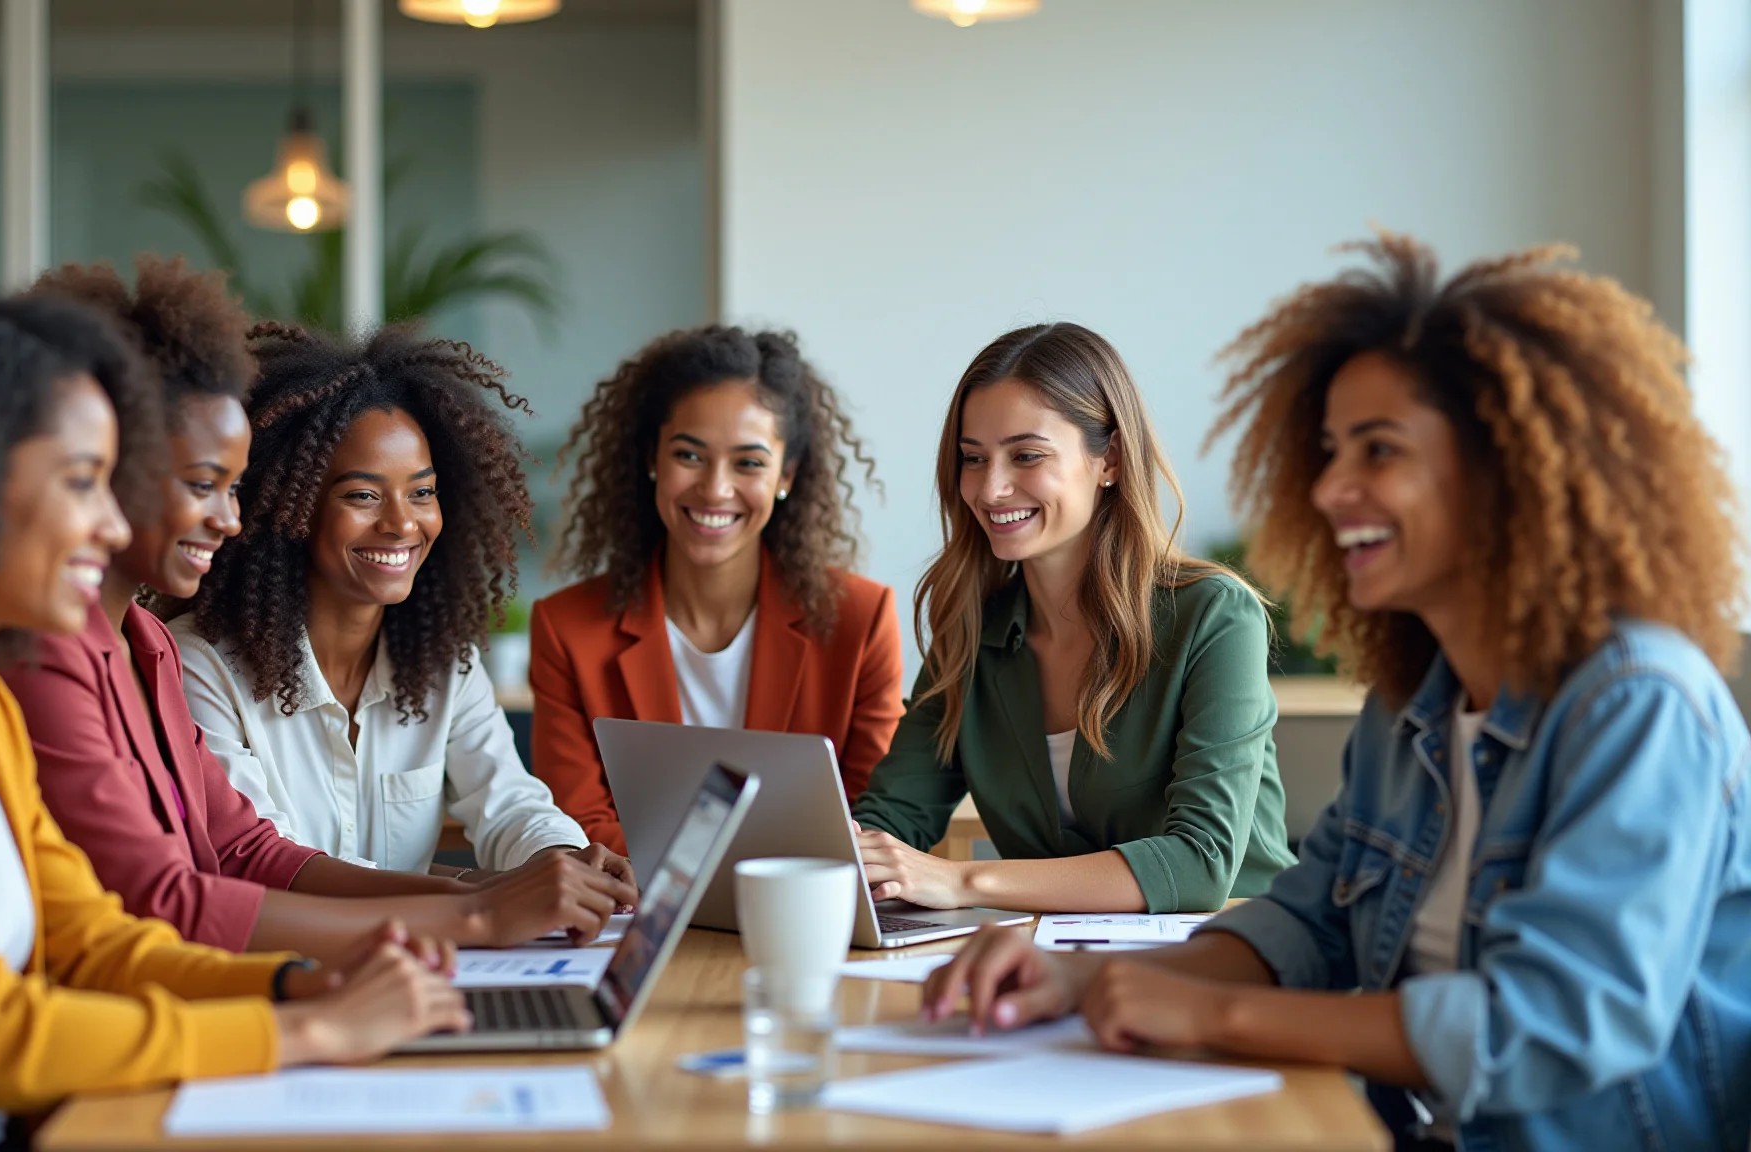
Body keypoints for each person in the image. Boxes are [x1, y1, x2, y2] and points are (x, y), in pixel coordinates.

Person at [923, 236, 1751, 1151]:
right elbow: (1311, 920)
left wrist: (1212, 1015)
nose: (1328, 489)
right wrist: (1090, 983)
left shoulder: (1640, 704)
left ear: (1506, 466)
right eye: (1327, 452)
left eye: (1378, 450)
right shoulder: (1412, 703)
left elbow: (1551, 1025)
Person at [0, 288, 467, 1152]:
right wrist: (308, 1031)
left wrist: (297, 986)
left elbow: (96, 944)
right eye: (83, 483)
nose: (111, 523)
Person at [3, 257, 597, 958]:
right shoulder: (69, 656)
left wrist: (500, 892)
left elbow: (246, 850)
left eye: (233, 489)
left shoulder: (147, 647)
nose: (229, 519)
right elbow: (169, 899)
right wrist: (473, 915)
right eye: (202, 484)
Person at [172, 322, 636, 943]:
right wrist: (481, 899)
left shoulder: (444, 662)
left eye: (422, 492)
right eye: (363, 496)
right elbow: (263, 862)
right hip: (282, 974)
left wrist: (566, 860)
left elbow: (507, 800)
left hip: (425, 970)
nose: (401, 523)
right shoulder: (198, 665)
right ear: (288, 506)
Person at [849, 322, 1295, 914]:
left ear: (1110, 459)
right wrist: (844, 856)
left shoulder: (1214, 615)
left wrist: (962, 881)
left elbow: (1200, 863)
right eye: (973, 458)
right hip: (1051, 953)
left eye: (1026, 455)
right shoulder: (971, 630)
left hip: (1233, 947)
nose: (991, 488)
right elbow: (893, 815)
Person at [533, 325, 902, 854]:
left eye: (748, 463)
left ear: (786, 475)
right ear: (652, 459)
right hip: (634, 902)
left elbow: (872, 817)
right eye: (689, 455)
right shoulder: (567, 628)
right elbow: (578, 823)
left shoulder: (861, 619)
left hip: (803, 899)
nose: (715, 489)